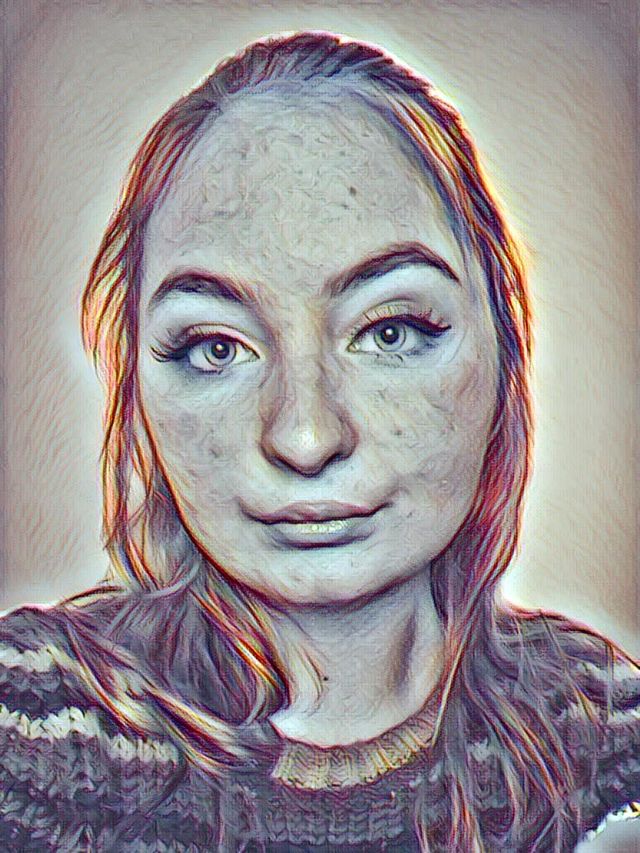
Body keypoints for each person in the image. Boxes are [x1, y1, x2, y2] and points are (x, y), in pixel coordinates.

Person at [0, 31, 638, 852]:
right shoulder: (35, 728)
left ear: (503, 353)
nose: (305, 437)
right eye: (215, 346)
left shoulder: (599, 730)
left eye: (392, 331)